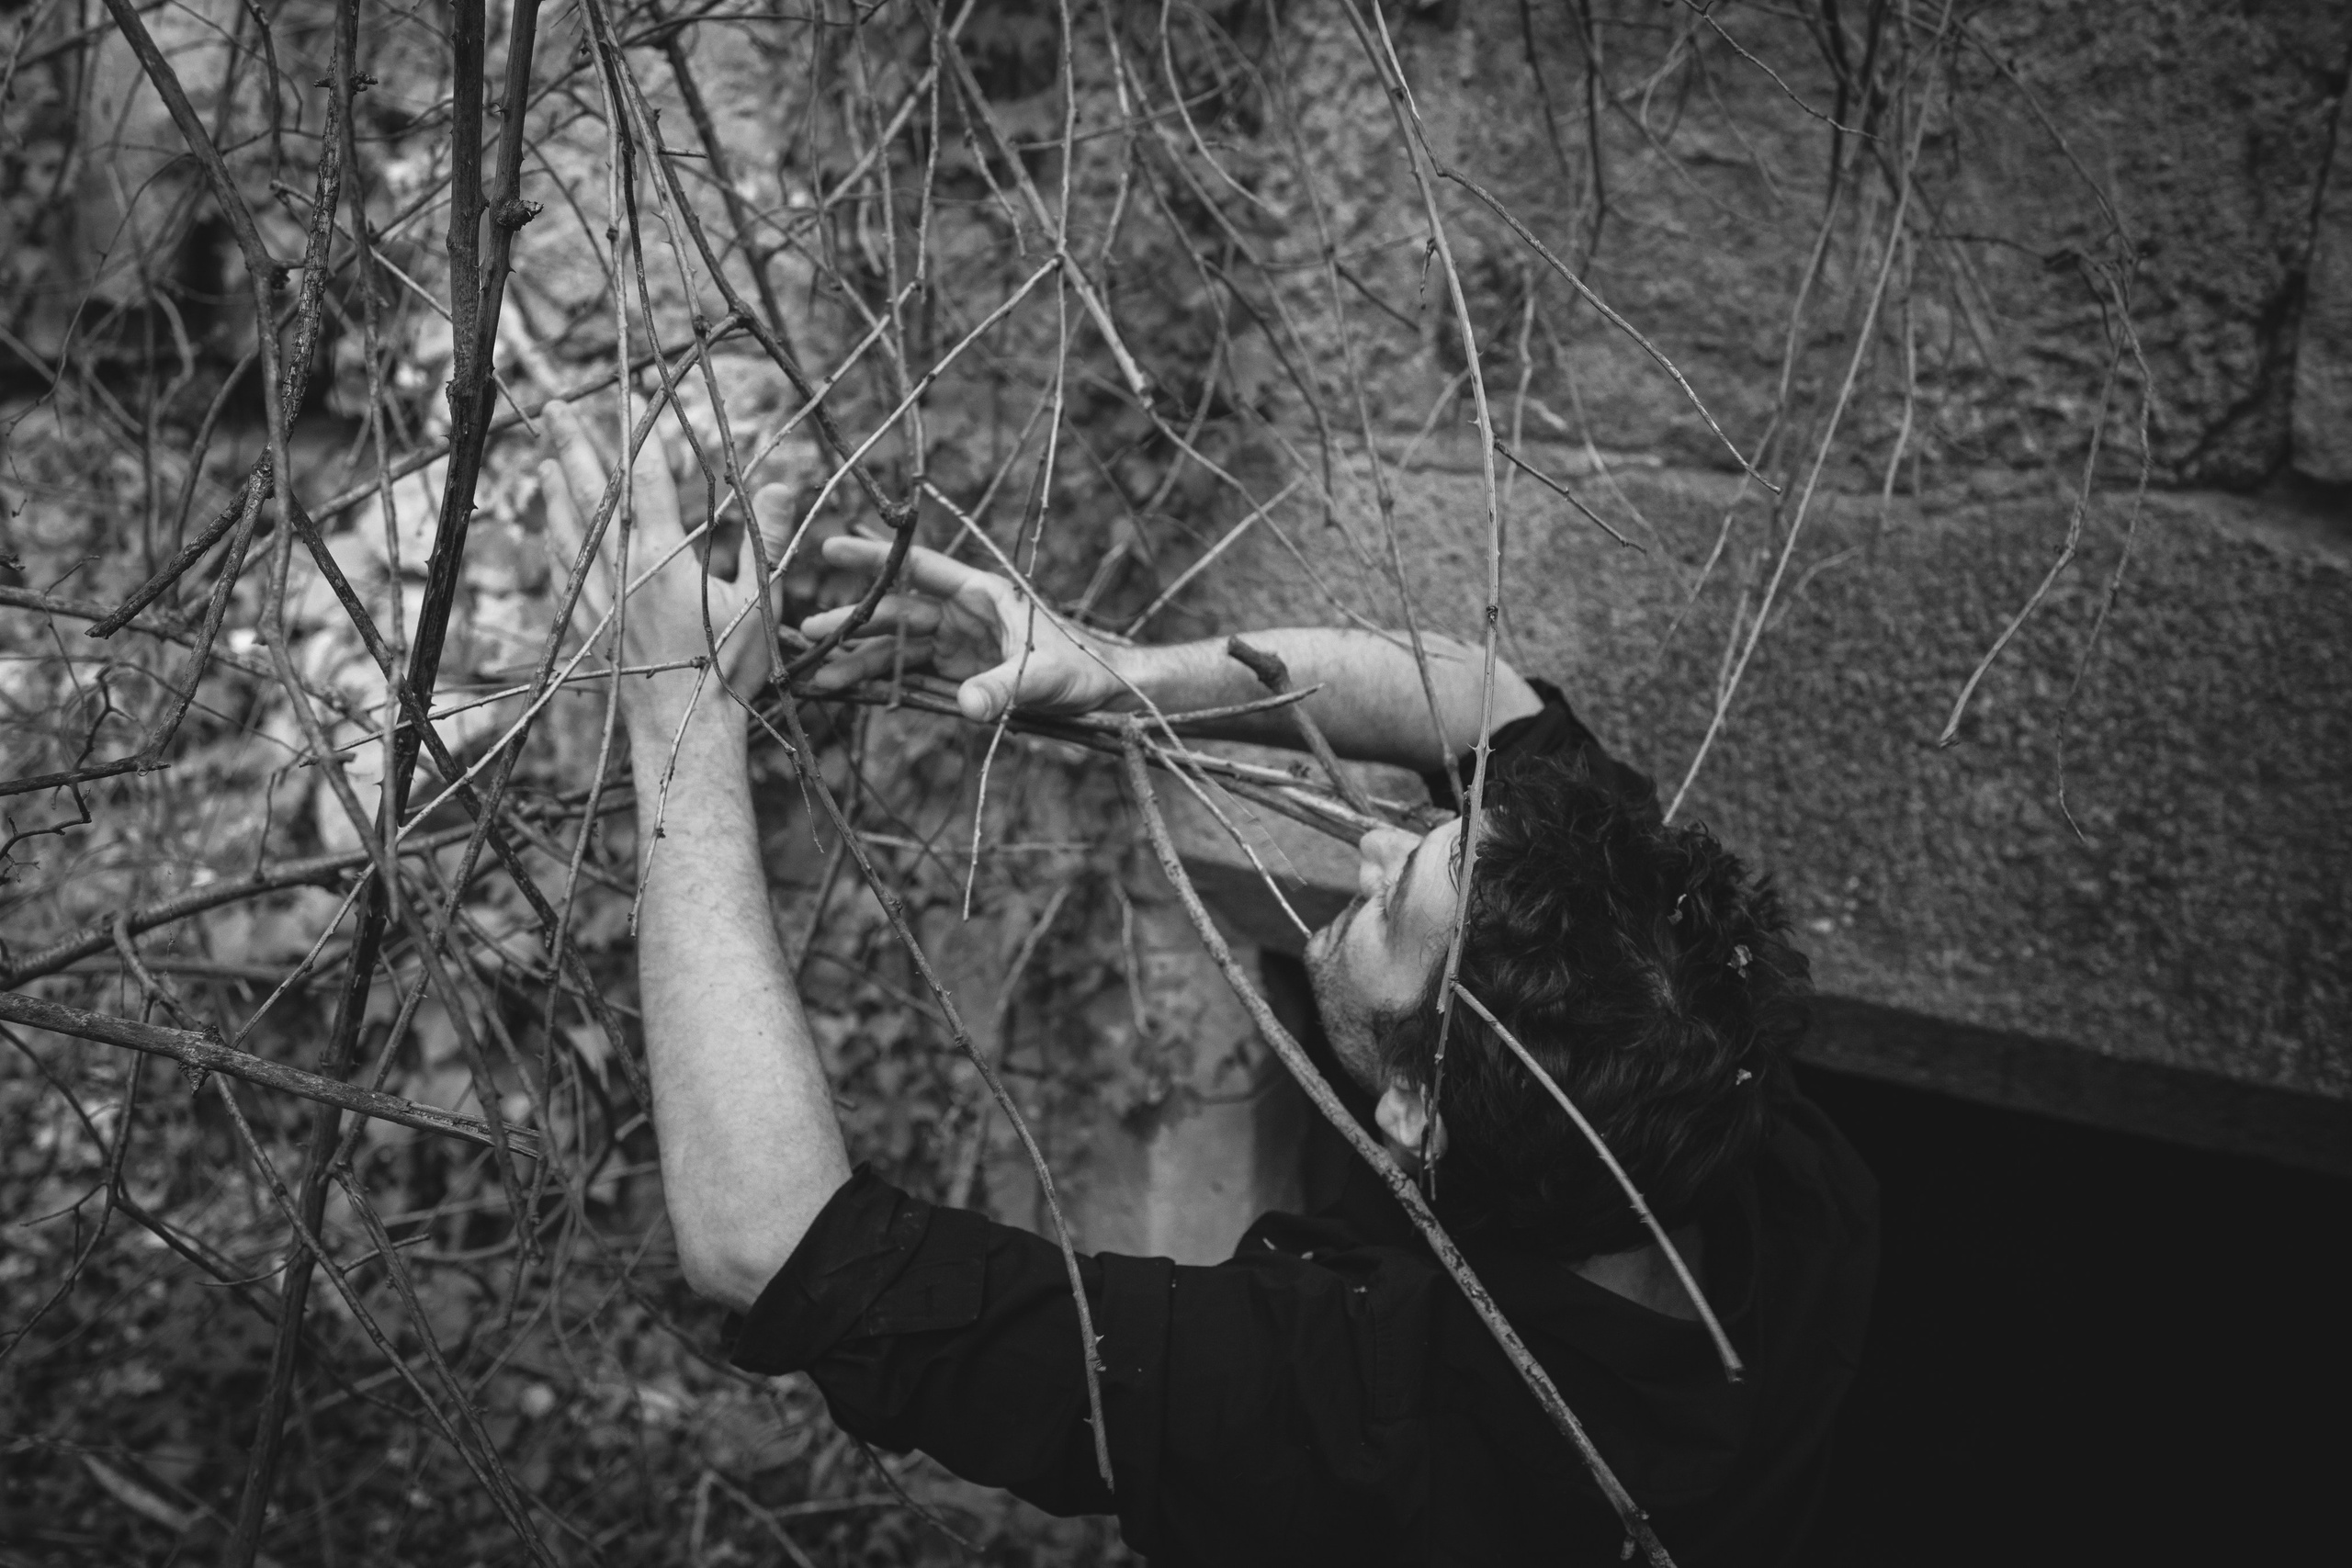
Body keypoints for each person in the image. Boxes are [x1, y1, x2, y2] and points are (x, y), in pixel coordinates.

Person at [537, 407, 1878, 1567]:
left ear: (1416, 1106)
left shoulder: (1343, 1418)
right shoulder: (1733, 1105)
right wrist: (1125, 675)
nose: (1370, 838)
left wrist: (680, 713)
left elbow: (774, 1245)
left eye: (1385, 903)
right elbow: (1486, 701)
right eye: (1435, 839)